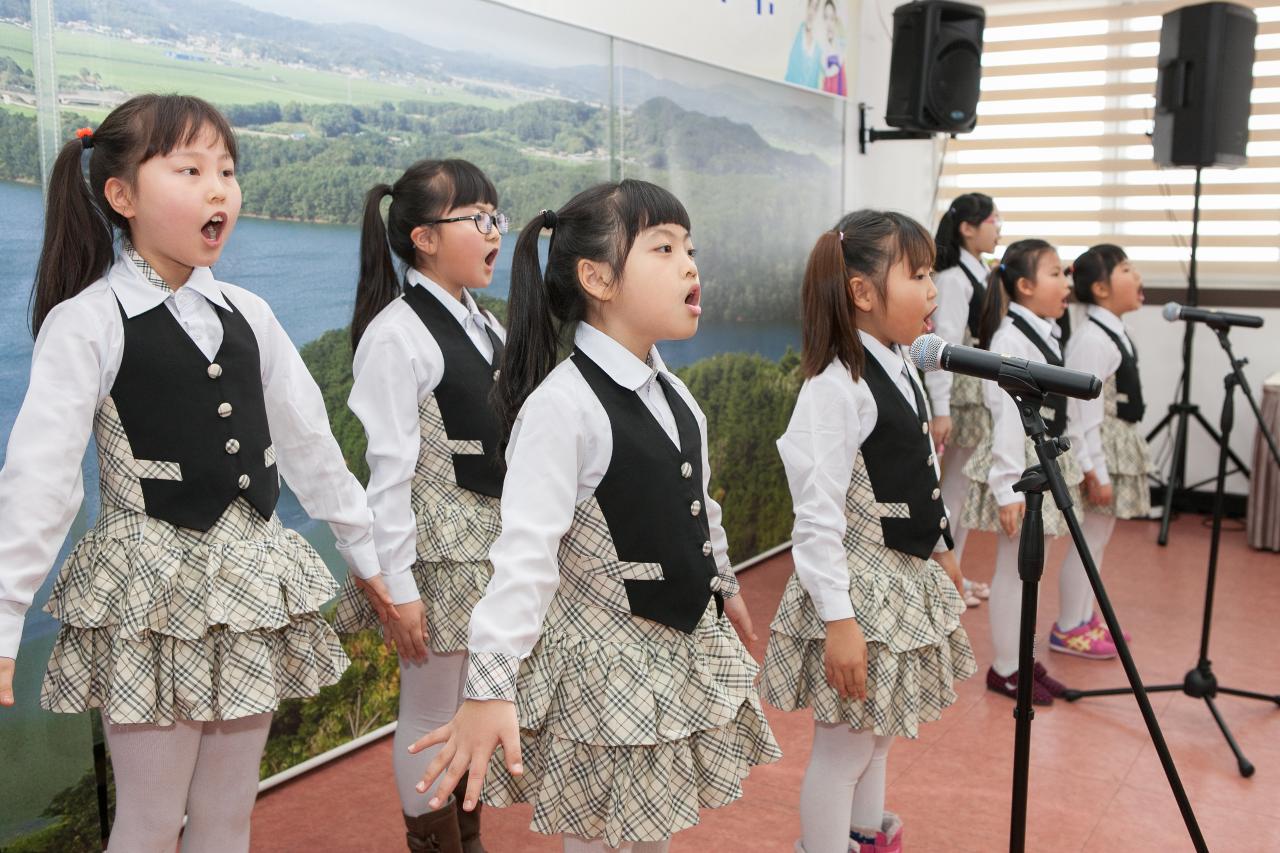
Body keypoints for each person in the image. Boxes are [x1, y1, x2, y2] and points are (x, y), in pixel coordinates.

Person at [0, 94, 387, 853]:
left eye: (228, 171)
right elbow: (40, 482)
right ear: (121, 195)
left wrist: (368, 559)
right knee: (146, 822)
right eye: (191, 169)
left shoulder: (250, 312)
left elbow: (312, 446)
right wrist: (5, 619)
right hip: (150, 594)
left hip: (250, 583)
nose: (220, 190)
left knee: (227, 816)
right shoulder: (88, 320)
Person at [410, 180, 781, 852]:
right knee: (607, 840)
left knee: (646, 833)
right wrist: (491, 686)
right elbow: (523, 558)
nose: (690, 264)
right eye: (664, 248)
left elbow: (700, 499)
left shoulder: (674, 393)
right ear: (597, 277)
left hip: (669, 650)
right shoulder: (564, 407)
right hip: (603, 673)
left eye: (689, 248)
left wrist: (722, 583)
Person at [760, 210, 975, 853]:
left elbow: (918, 472)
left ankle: (865, 838)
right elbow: (817, 517)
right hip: (859, 588)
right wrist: (838, 619)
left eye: (931, 273)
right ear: (862, 292)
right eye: (918, 274)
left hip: (902, 579)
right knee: (843, 750)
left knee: (878, 737)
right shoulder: (836, 387)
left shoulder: (902, 365)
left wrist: (943, 549)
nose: (932, 290)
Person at [333, 159, 508, 852]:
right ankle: (436, 843)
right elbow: (388, 477)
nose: (496, 231)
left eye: (497, 217)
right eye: (478, 218)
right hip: (433, 553)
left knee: (471, 707)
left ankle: (467, 835)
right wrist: (399, 587)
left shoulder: (486, 325)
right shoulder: (396, 334)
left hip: (486, 546)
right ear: (423, 237)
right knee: (431, 707)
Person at [964, 239, 1097, 707]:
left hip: (1039, 456)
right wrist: (1006, 488)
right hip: (1018, 463)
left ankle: (1022, 659)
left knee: (1031, 572)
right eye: (1056, 273)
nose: (1067, 283)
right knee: (1013, 570)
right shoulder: (1009, 338)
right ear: (1024, 285)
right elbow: (1003, 416)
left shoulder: (1047, 328)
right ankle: (1004, 668)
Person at [1058, 244, 1152, 648]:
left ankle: (1083, 616)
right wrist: (1091, 468)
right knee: (1087, 540)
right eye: (1127, 269)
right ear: (1100, 287)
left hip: (1114, 445)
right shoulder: (1092, 339)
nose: (1138, 277)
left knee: (1098, 540)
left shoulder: (1113, 331)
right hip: (1100, 450)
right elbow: (1080, 414)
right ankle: (1068, 626)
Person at [928, 193, 1001, 607]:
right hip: (960, 396)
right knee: (953, 489)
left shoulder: (980, 273)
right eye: (992, 219)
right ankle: (944, 581)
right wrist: (941, 409)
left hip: (975, 393)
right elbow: (941, 346)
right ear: (967, 228)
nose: (998, 228)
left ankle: (953, 572)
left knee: (962, 488)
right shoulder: (955, 279)